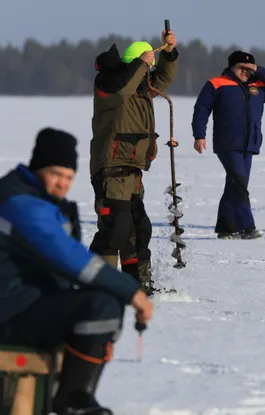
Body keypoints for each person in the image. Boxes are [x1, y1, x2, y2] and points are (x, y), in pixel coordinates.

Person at [0, 128, 154, 415]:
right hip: (9, 310)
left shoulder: (38, 202)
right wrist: (131, 292)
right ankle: (72, 400)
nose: (62, 184)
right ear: (38, 169)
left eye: (68, 177)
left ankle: (73, 396)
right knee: (102, 305)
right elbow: (72, 259)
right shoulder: (24, 206)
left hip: (23, 302)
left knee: (101, 302)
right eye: (55, 174)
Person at [88, 29, 178, 295]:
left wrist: (169, 53)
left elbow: (162, 78)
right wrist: (142, 63)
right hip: (111, 169)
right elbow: (121, 89)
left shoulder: (140, 89)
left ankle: (138, 285)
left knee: (138, 230)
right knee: (114, 229)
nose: (148, 73)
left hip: (132, 171)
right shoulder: (108, 83)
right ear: (136, 63)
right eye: (145, 65)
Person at [191, 50, 265, 239]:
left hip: (250, 143)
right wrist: (199, 135)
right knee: (239, 183)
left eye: (248, 68)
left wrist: (259, 70)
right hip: (227, 143)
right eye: (241, 67)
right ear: (232, 67)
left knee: (235, 185)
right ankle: (246, 227)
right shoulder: (217, 84)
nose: (244, 71)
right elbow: (201, 109)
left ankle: (226, 228)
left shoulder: (258, 86)